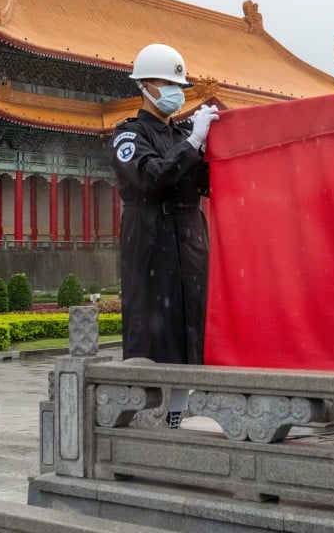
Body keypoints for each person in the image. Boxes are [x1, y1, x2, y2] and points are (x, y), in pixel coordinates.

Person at [109, 43, 219, 429]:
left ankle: (185, 412)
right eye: (166, 83)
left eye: (179, 85)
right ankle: (152, 416)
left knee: (193, 323)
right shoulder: (129, 136)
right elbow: (150, 176)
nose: (174, 92)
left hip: (189, 239)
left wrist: (213, 144)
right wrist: (192, 145)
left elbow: (209, 182)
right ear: (145, 86)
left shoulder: (187, 133)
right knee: (156, 327)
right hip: (151, 240)